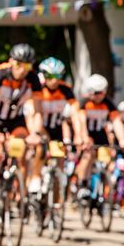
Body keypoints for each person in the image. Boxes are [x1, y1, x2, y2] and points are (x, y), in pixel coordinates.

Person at [0, 43, 43, 222]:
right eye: (19, 65)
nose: (23, 70)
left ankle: (19, 196)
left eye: (27, 66)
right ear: (11, 62)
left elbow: (37, 111)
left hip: (16, 120)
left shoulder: (33, 79)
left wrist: (35, 133)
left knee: (22, 152)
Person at [32, 57, 80, 195]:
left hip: (57, 128)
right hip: (40, 125)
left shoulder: (66, 90)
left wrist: (78, 135)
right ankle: (35, 178)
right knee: (40, 149)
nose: (54, 80)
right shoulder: (39, 88)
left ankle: (57, 202)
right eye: (50, 76)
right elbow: (35, 114)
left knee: (60, 162)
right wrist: (41, 133)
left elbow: (75, 114)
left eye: (57, 76)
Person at [75, 74, 124, 200]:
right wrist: (84, 137)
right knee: (89, 155)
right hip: (87, 133)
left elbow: (116, 122)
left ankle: (103, 186)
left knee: (108, 159)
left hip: (100, 134)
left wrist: (122, 140)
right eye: (93, 93)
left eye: (99, 93)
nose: (96, 96)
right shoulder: (84, 103)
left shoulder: (108, 104)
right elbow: (81, 122)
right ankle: (82, 184)